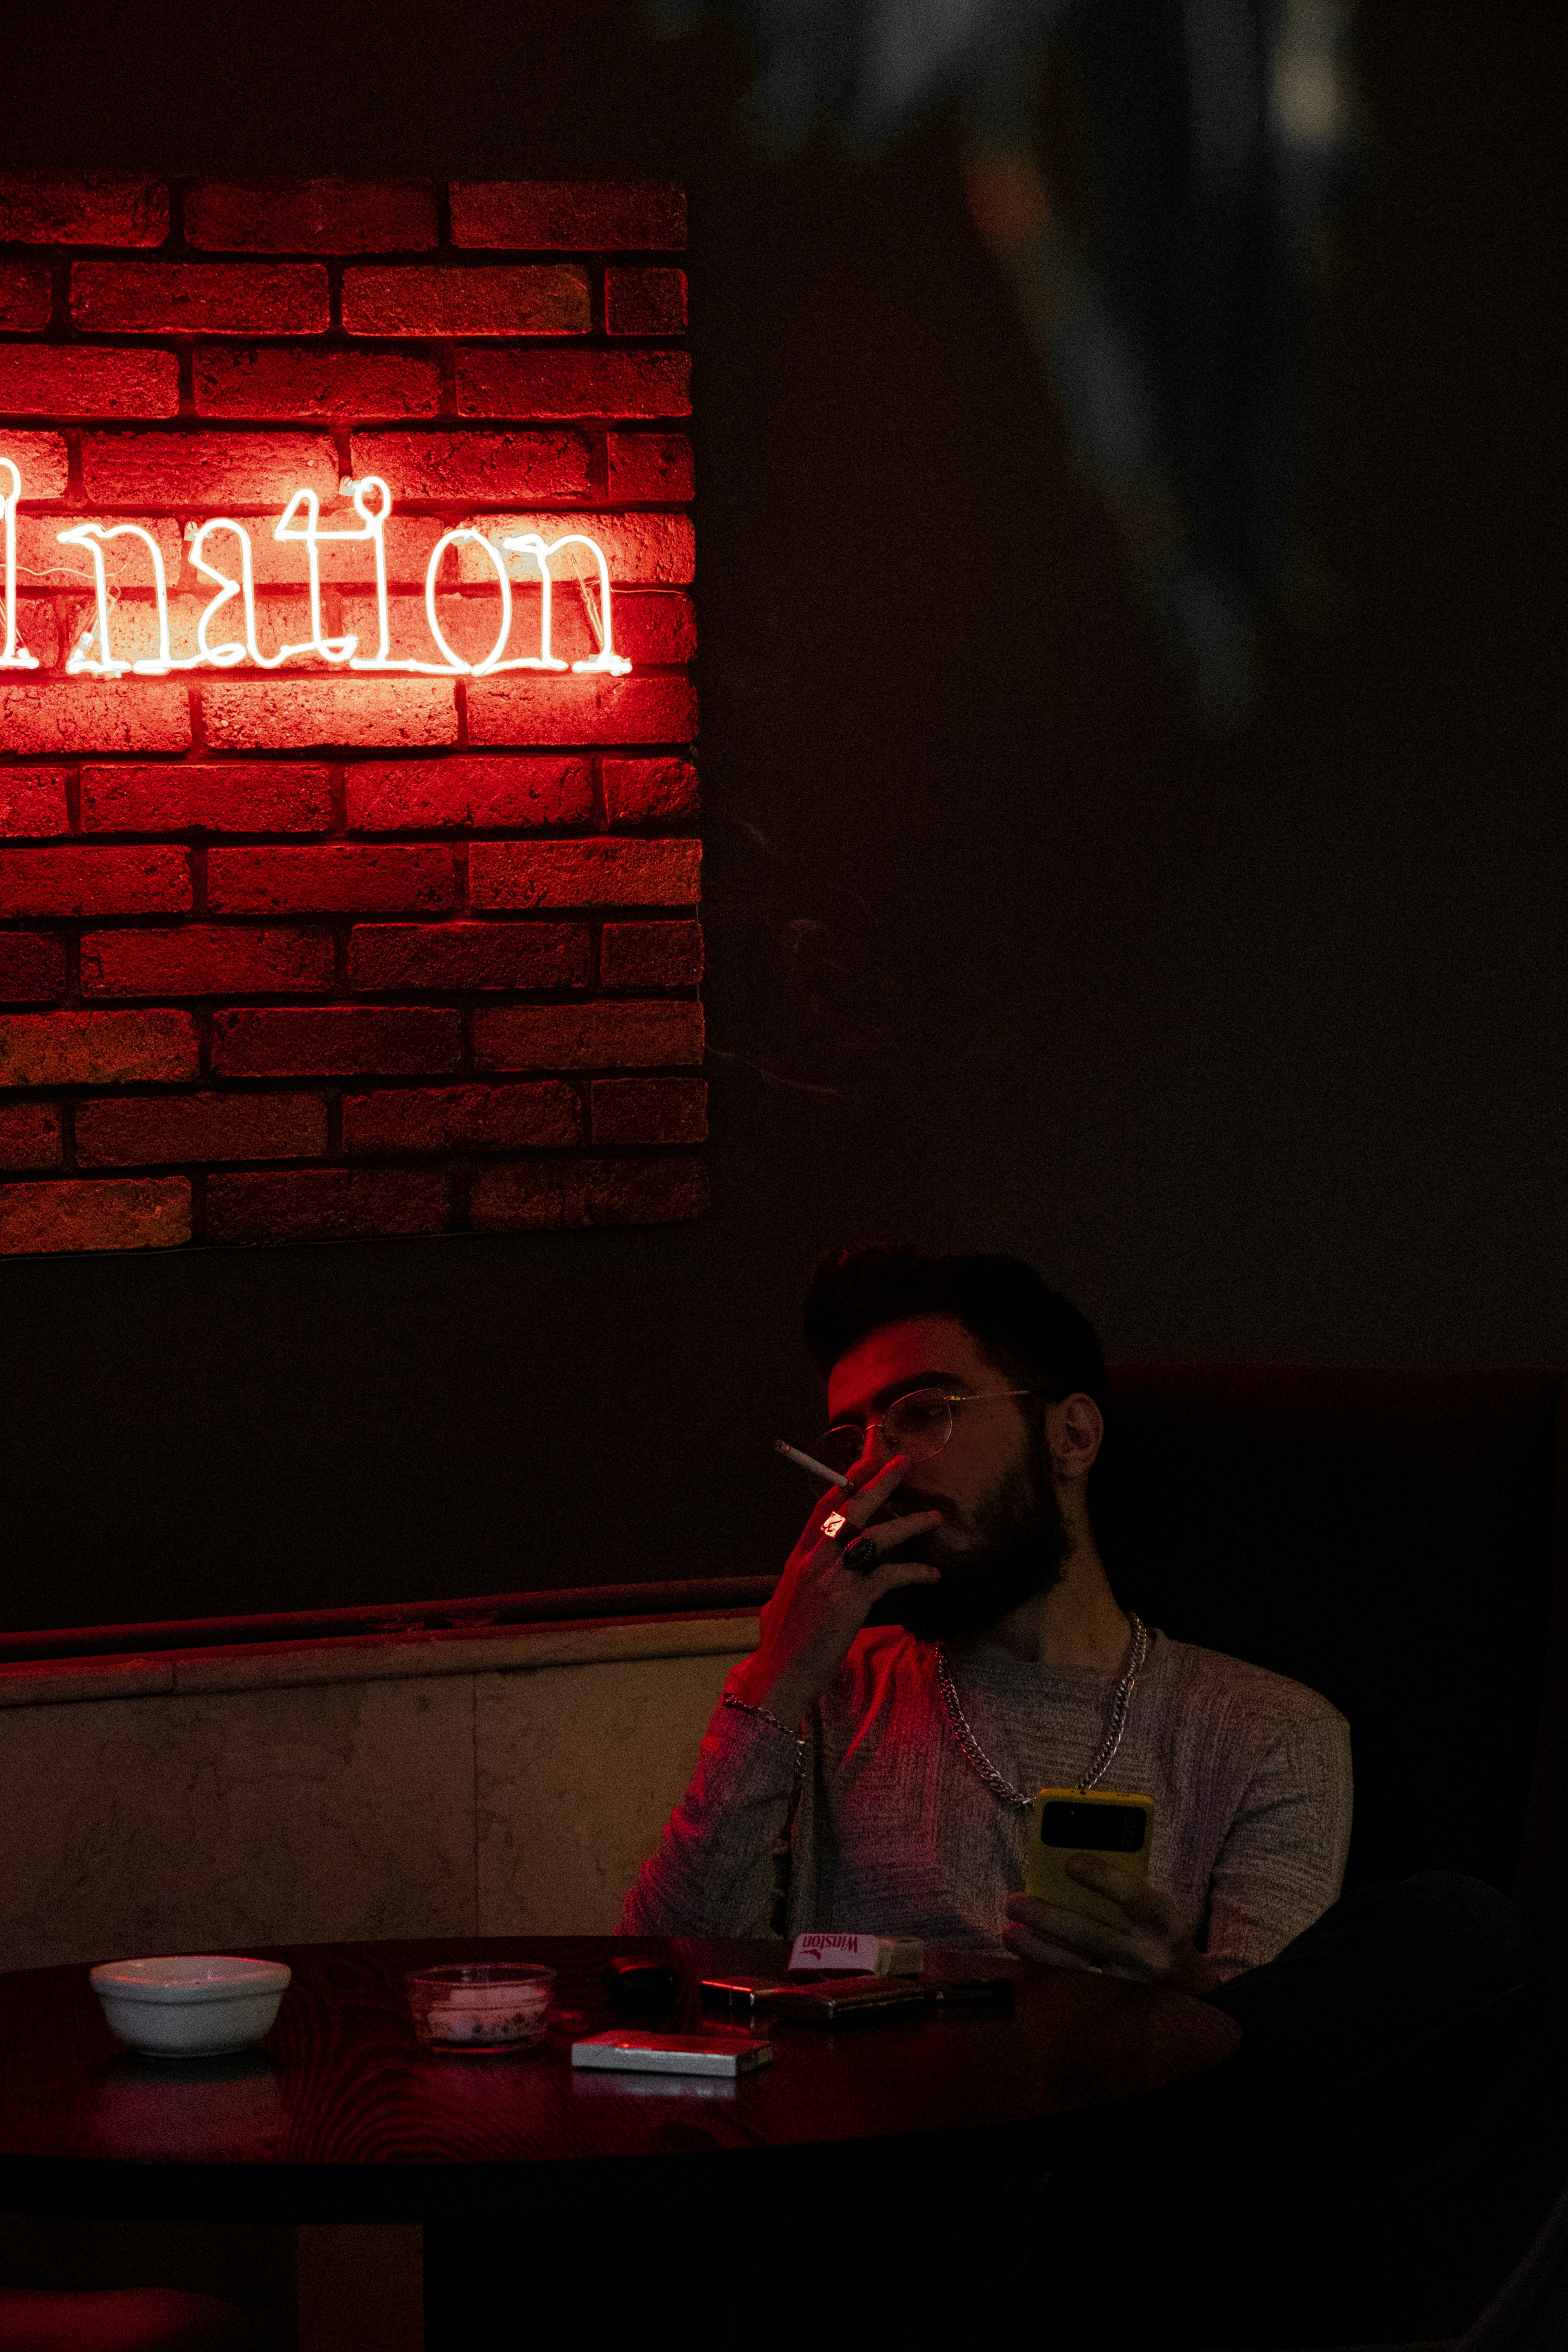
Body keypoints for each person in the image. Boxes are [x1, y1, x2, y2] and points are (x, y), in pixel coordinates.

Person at [620, 1244, 1353, 1982]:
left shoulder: (1267, 1733)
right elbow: (662, 1976)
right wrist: (774, 1678)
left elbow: (1288, 2065)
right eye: (854, 1441)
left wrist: (1187, 1989)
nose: (876, 1469)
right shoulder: (821, 1697)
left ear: (1072, 1436)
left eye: (924, 1413)